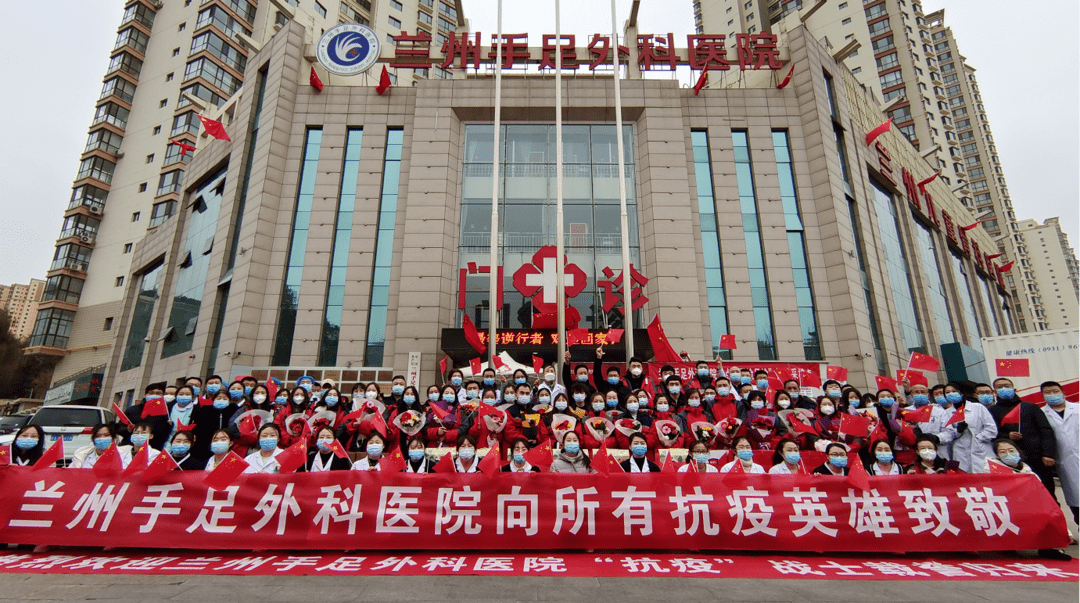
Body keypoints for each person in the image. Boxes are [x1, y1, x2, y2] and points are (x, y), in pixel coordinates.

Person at [990, 377, 1058, 499]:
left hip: (1037, 458)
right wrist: (1007, 436)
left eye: (1007, 386)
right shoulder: (991, 411)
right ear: (994, 392)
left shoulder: (1030, 407)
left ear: (1014, 389)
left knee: (1047, 493)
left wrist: (1048, 453)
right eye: (1000, 387)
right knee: (1021, 497)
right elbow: (990, 434)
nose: (1004, 389)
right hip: (1010, 460)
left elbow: (1046, 431)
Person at [1040, 381, 1078, 525]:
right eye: (1048, 392)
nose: (1052, 394)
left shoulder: (1078, 409)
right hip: (1064, 461)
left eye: (1055, 391)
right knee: (1075, 496)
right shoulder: (1042, 414)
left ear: (1063, 392)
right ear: (1042, 395)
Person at [946, 384, 998, 473]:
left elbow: (991, 429)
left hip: (981, 447)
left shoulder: (978, 407)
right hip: (960, 450)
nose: (951, 394)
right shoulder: (947, 413)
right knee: (966, 479)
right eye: (947, 392)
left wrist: (977, 439)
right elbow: (949, 434)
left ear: (961, 393)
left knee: (986, 476)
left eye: (954, 391)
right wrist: (958, 431)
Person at [192, 388, 239, 460]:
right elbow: (197, 427)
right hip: (205, 444)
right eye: (219, 398)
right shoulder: (205, 410)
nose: (222, 400)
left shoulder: (234, 409)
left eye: (225, 398)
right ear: (214, 399)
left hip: (227, 442)